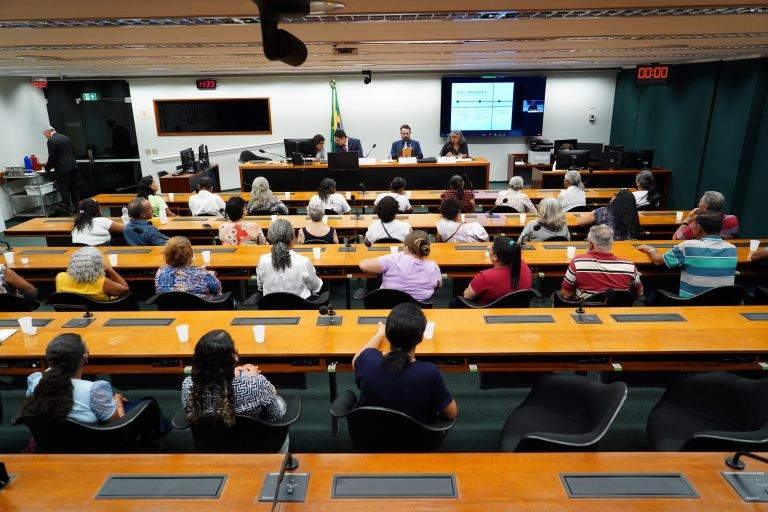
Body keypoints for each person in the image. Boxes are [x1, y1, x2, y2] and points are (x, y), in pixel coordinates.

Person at [352, 303, 457, 423]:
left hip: (369, 437)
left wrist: (379, 334)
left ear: (388, 332)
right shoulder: (430, 373)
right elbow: (451, 413)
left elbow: (356, 359)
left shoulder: (367, 360)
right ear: (421, 337)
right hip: (416, 440)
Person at [182, 329, 286, 427]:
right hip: (253, 442)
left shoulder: (188, 385)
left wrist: (233, 375)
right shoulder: (257, 384)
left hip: (209, 443)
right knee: (280, 402)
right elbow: (275, 416)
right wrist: (258, 380)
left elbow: (190, 414)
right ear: (233, 358)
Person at [22, 334, 127, 425]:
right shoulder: (93, 390)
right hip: (89, 444)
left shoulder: (36, 381)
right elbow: (116, 424)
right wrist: (118, 401)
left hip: (49, 442)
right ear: (85, 358)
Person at [637, 210, 737, 298]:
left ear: (699, 228)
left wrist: (651, 249)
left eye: (693, 225)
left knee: (651, 294)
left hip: (692, 304)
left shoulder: (688, 246)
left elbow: (658, 260)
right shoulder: (732, 248)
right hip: (723, 303)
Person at [560, 224, 644, 300]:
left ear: (590, 244)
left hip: (586, 313)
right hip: (619, 312)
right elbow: (639, 293)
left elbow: (566, 294)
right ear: (612, 243)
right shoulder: (629, 266)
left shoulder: (578, 262)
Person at [359, 230, 442, 302]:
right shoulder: (434, 266)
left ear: (406, 248)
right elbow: (438, 285)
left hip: (387, 306)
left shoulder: (394, 259)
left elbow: (363, 265)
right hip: (418, 312)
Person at [256, 219, 324, 299]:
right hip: (300, 308)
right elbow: (315, 287)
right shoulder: (303, 262)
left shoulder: (263, 260)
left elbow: (260, 285)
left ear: (270, 237)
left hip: (271, 308)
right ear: (293, 236)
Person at [463, 237, 532, 305]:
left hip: (486, 312)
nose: (488, 248)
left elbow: (467, 296)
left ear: (496, 257)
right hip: (518, 311)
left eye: (491, 248)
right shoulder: (524, 265)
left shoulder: (484, 277)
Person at [155, 236, 222, 300]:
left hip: (169, 309)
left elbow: (158, 292)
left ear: (166, 254)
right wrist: (209, 275)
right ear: (190, 254)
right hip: (202, 309)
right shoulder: (201, 272)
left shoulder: (160, 272)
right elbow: (217, 289)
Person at [55, 246, 129, 301]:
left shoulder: (60, 277)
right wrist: (110, 269)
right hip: (101, 314)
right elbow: (125, 289)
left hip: (69, 314)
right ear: (98, 264)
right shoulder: (102, 282)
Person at [673, 190, 739, 240]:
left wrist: (687, 220)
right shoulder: (733, 219)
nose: (698, 204)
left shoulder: (698, 224)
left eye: (700, 202)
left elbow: (675, 239)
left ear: (705, 207)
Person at [43, 125, 79, 213]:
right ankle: (78, 208)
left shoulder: (51, 141)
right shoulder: (66, 137)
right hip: (73, 166)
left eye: (44, 134)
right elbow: (73, 152)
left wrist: (47, 169)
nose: (45, 136)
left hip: (62, 169)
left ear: (48, 132)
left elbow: (52, 157)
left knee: (64, 189)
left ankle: (69, 209)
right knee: (74, 188)